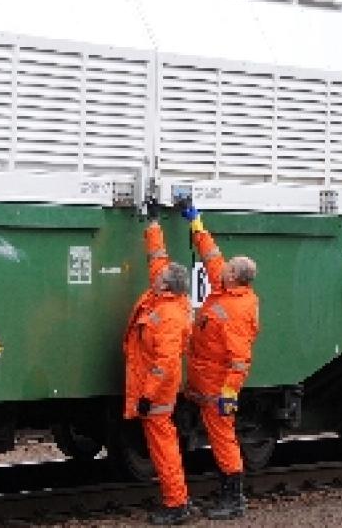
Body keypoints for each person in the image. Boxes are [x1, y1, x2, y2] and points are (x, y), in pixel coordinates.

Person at [180, 199, 260, 520]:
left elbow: (240, 359)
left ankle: (234, 498)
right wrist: (196, 222)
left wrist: (228, 394)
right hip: (206, 382)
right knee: (219, 438)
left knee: (223, 440)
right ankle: (229, 493)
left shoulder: (235, 310)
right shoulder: (226, 291)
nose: (221, 267)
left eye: (228, 268)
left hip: (217, 388)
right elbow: (211, 256)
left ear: (235, 278)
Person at [123, 201, 193, 525]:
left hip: (158, 393)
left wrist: (148, 395)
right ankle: (176, 500)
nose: (155, 275)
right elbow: (157, 257)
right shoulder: (165, 297)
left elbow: (164, 363)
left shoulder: (168, 315)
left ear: (166, 286)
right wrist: (153, 223)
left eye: (160, 277)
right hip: (154, 389)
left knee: (164, 448)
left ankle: (176, 504)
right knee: (162, 445)